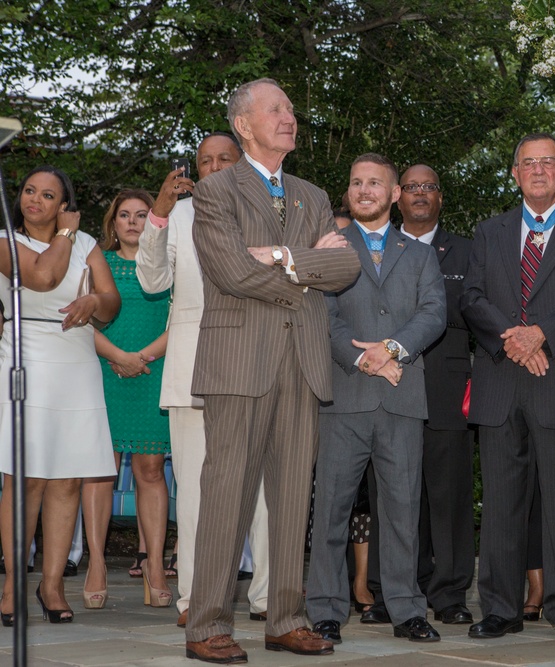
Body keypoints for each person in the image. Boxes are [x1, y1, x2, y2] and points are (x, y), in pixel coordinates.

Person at [183, 78, 361, 664]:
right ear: (244, 124)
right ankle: (207, 624)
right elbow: (232, 272)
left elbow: (348, 267)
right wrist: (310, 269)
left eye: (290, 108)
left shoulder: (311, 194)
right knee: (226, 495)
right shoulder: (215, 192)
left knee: (292, 499)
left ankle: (286, 618)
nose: (289, 117)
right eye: (276, 109)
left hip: (302, 363)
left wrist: (285, 258)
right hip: (240, 362)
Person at [462, 132, 555, 642]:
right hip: (502, 380)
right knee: (502, 504)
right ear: (514, 174)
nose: (539, 169)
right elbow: (473, 297)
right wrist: (514, 340)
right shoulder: (488, 232)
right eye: (529, 162)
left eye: (549, 162)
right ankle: (500, 608)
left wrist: (541, 334)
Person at [305, 153, 446, 645]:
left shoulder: (423, 254)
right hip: (344, 397)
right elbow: (321, 314)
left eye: (375, 183)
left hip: (402, 396)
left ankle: (406, 609)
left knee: (404, 509)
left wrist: (391, 349)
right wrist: (361, 358)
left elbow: (434, 313)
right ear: (349, 192)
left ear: (393, 194)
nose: (364, 190)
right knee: (331, 509)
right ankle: (324, 608)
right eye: (356, 182)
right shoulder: (328, 248)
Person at [135, 131, 271, 628]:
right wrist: (158, 215)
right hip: (192, 365)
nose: (213, 167)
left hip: (256, 363)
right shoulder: (178, 217)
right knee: (193, 490)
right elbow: (152, 282)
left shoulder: (268, 207)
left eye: (224, 159)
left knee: (259, 487)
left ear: (243, 162)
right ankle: (194, 597)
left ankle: (267, 596)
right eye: (205, 161)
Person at [0, 166, 121, 625]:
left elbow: (111, 304)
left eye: (48, 195)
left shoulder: (88, 244)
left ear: (63, 202)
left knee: (68, 478)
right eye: (30, 190)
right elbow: (45, 278)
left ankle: (51, 584)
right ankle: (13, 582)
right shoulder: (5, 240)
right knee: (25, 477)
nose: (35, 200)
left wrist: (94, 303)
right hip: (25, 358)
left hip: (77, 360)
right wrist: (67, 234)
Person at [84, 189, 171, 611]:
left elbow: (183, 318)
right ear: (112, 222)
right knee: (100, 469)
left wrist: (142, 358)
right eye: (125, 215)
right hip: (104, 371)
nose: (133, 222)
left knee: (151, 469)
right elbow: (82, 319)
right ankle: (96, 564)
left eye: (142, 215)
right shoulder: (95, 262)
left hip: (153, 371)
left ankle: (154, 566)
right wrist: (119, 357)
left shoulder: (169, 262)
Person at [398, 164, 476, 625]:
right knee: (396, 493)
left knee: (449, 497)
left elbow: (478, 312)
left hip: (448, 388)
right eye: (412, 187)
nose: (421, 194)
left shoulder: (467, 252)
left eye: (429, 186)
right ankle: (394, 592)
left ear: (440, 198)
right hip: (389, 387)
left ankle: (449, 595)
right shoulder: (377, 247)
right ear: (397, 196)